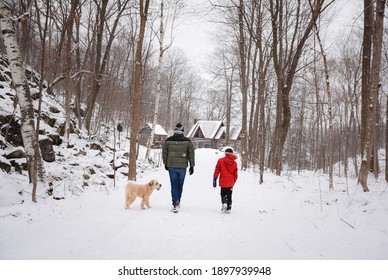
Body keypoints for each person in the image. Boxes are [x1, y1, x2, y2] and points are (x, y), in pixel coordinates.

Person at [162, 122, 195, 213]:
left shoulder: (168, 141)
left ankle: (175, 201)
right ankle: (178, 200)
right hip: (182, 166)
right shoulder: (188, 141)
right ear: (182, 131)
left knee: (174, 184)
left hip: (172, 166)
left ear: (175, 130)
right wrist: (192, 165)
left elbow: (164, 153)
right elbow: (191, 154)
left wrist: (165, 163)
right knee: (180, 184)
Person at [213, 148, 238, 214]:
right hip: (230, 181)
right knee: (229, 195)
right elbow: (235, 174)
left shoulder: (221, 160)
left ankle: (224, 203)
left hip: (223, 180)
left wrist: (215, 178)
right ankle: (229, 207)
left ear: (225, 153)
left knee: (223, 194)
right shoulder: (234, 163)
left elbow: (217, 170)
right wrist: (233, 181)